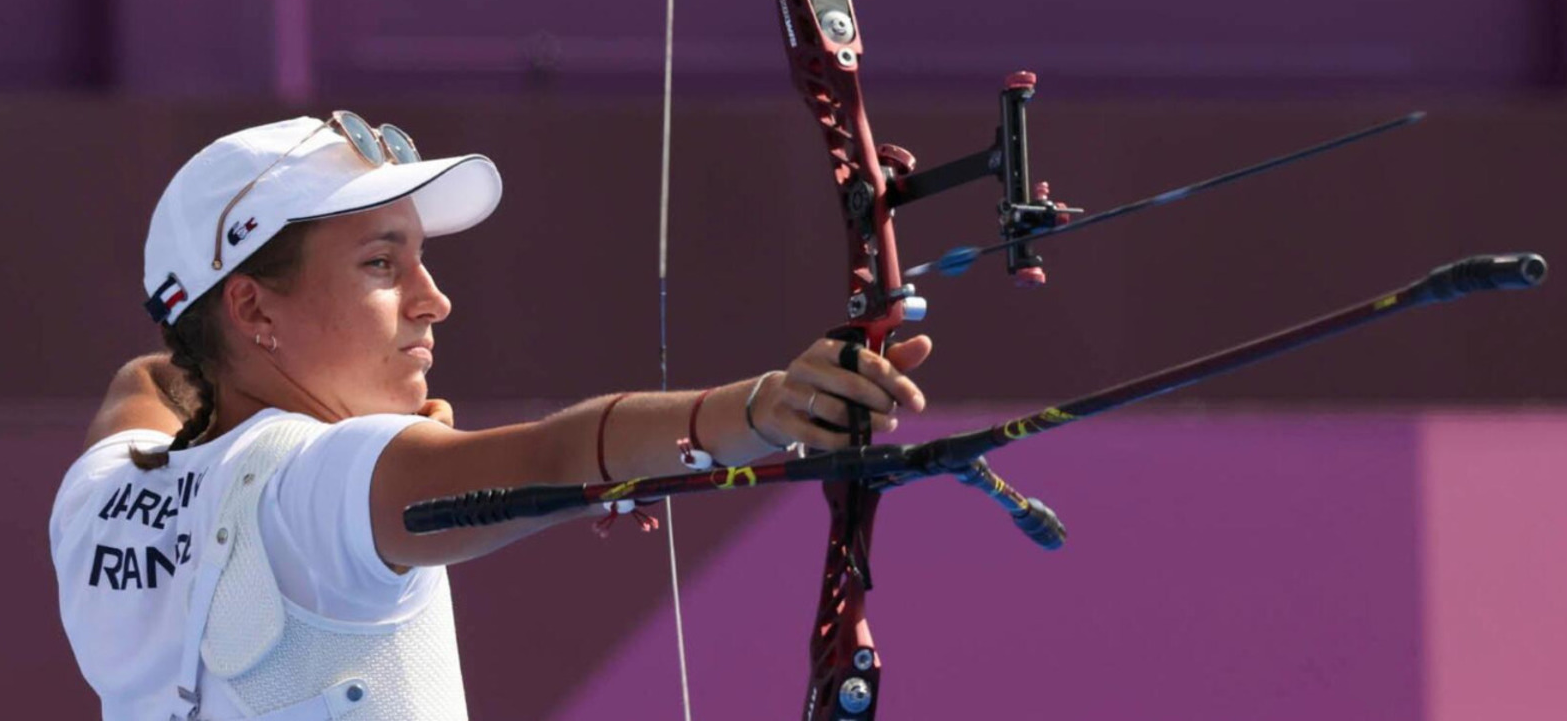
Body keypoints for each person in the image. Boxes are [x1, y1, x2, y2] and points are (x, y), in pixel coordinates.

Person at [48, 114, 931, 720]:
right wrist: (764, 408)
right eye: (381, 266)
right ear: (251, 308)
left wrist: (368, 425)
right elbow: (552, 456)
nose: (434, 300)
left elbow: (152, 374)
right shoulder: (324, 478)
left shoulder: (105, 488)